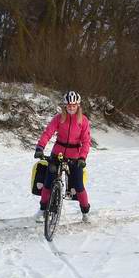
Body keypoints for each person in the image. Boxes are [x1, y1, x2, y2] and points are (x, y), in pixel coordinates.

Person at [33, 91, 92, 223]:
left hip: (75, 156)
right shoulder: (59, 118)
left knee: (78, 185)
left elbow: (86, 141)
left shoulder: (83, 121)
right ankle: (42, 210)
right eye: (69, 105)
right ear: (65, 106)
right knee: (48, 182)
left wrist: (82, 157)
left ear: (78, 105)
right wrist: (40, 147)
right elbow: (48, 133)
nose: (71, 108)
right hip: (57, 153)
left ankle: (85, 212)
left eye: (74, 105)